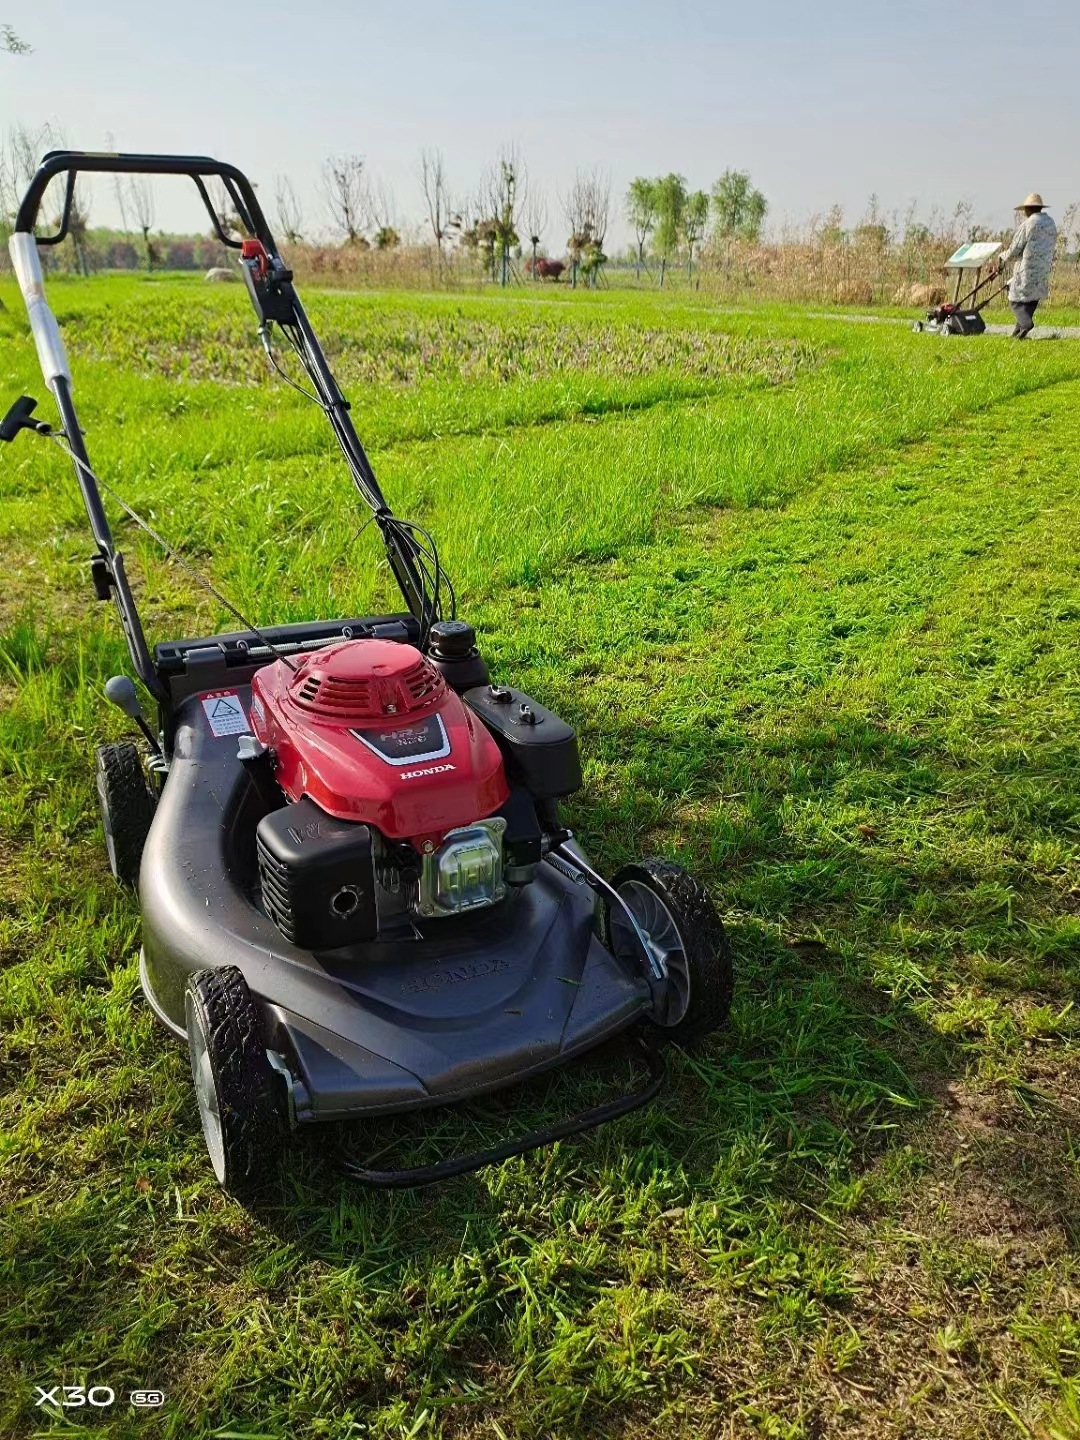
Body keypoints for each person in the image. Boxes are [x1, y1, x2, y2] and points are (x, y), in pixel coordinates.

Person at [994, 194, 1057, 339]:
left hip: (1027, 269)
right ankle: (1018, 332)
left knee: (1014, 297)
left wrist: (1002, 256)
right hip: (1043, 269)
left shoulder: (1029, 224)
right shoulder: (1051, 223)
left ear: (1028, 209)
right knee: (1032, 298)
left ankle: (1026, 324)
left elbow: (1015, 248)